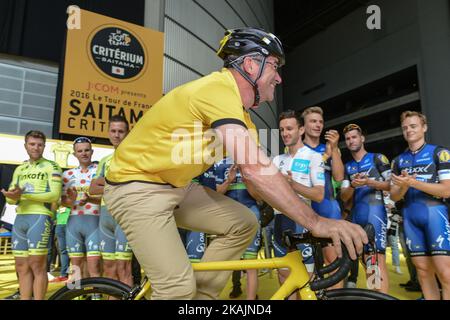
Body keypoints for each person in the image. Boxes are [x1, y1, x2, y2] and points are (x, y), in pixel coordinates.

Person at [103, 27, 367, 300]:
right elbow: (255, 169)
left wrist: (309, 217)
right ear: (251, 64)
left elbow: (259, 173)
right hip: (135, 187)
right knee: (175, 289)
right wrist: (316, 222)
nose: (278, 77)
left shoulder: (242, 118)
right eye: (274, 66)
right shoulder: (216, 89)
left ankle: (201, 299)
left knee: (243, 223)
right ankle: (183, 295)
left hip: (175, 187)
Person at [390, 111, 450, 300]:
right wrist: (403, 187)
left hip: (435, 216)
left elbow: (447, 190)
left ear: (424, 127)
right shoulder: (398, 161)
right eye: (405, 127)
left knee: (446, 274)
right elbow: (394, 195)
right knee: (423, 272)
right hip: (410, 218)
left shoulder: (439, 153)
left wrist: (413, 183)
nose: (409, 130)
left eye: (413, 126)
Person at [1, 130, 62, 300]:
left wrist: (24, 195)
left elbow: (54, 196)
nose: (36, 148)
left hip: (40, 217)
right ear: (25, 146)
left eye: (39, 145)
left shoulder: (52, 166)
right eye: (32, 144)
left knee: (37, 266)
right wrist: (12, 197)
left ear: (44, 146)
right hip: (20, 218)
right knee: (21, 266)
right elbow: (12, 201)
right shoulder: (20, 169)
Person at [272, 110, 325, 299]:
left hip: (301, 223)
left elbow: (319, 195)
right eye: (282, 130)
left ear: (301, 129)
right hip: (279, 223)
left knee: (305, 281)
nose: (285, 133)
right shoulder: (277, 160)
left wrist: (293, 185)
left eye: (289, 128)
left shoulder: (313, 156)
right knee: (284, 278)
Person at [340, 123, 391, 294]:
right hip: (357, 217)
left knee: (376, 261)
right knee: (368, 264)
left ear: (362, 138)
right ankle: (376, 295)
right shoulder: (347, 167)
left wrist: (370, 182)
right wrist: (353, 186)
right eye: (347, 139)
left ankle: (380, 297)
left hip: (375, 214)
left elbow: (393, 186)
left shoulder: (378, 158)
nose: (351, 141)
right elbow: (344, 197)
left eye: (354, 137)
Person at [301, 106, 345, 288]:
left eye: (320, 121)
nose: (318, 125)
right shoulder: (295, 149)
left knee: (334, 263)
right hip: (302, 211)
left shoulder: (329, 148)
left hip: (328, 208)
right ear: (303, 126)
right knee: (304, 268)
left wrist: (334, 149)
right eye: (313, 121)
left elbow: (339, 177)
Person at [89, 115, 133, 286]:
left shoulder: (134, 157)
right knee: (108, 267)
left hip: (125, 215)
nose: (116, 135)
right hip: (105, 216)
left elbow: (133, 187)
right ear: (108, 133)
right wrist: (116, 186)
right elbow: (92, 189)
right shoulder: (104, 160)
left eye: (121, 131)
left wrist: (106, 185)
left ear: (127, 134)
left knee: (124, 268)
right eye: (113, 131)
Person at [215, 157, 261, 300]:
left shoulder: (253, 162)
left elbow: (259, 197)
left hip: (251, 213)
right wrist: (229, 181)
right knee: (226, 261)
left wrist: (246, 178)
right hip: (229, 216)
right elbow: (216, 194)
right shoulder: (220, 163)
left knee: (250, 264)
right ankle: (235, 286)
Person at [61, 137, 101, 282]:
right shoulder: (67, 175)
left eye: (86, 150)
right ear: (75, 154)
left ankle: (96, 296)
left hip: (95, 221)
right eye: (80, 151)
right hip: (74, 222)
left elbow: (107, 198)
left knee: (94, 265)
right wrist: (70, 201)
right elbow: (63, 202)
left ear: (92, 151)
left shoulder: (99, 171)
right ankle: (76, 295)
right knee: (75, 266)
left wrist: (90, 199)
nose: (84, 153)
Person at [384, 191, 402, 274]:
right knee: (381, 246)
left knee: (394, 245)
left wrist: (393, 209)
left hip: (393, 224)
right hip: (381, 223)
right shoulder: (377, 197)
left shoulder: (395, 197)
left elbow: (400, 211)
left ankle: (397, 266)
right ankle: (381, 265)